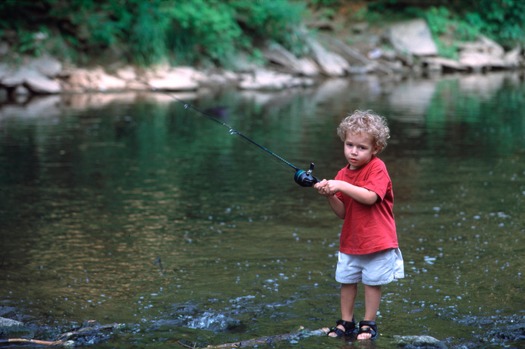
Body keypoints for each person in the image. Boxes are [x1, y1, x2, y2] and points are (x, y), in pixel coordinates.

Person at [314, 110, 404, 340]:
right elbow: (342, 213)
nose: (353, 151)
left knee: (372, 283)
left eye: (361, 147)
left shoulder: (377, 168)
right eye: (349, 144)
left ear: (375, 149)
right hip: (351, 240)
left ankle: (368, 324)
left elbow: (370, 197)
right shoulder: (342, 174)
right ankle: (346, 322)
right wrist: (330, 195)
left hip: (378, 240)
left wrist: (339, 186)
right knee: (347, 281)